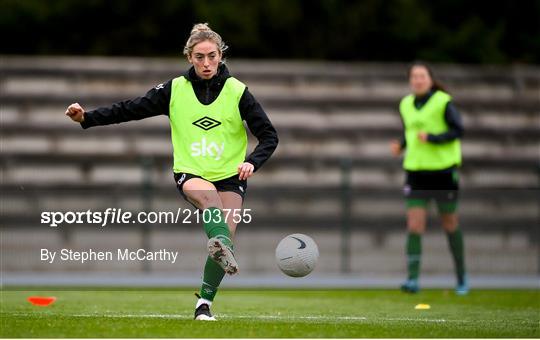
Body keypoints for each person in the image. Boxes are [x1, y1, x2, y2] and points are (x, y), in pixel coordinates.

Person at [65, 23, 279, 319]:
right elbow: (130, 108)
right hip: (190, 172)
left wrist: (252, 161)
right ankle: (218, 246)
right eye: (200, 57)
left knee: (226, 235)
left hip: (230, 175)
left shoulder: (238, 92)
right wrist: (86, 118)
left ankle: (203, 304)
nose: (206, 63)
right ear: (189, 57)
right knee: (210, 203)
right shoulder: (174, 89)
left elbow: (269, 135)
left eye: (212, 56)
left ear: (221, 56)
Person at [390, 62, 468, 295]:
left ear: (431, 79)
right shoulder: (405, 104)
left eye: (422, 76)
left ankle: (462, 278)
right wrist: (401, 145)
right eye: (414, 76)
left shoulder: (443, 101)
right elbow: (411, 132)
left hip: (443, 172)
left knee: (450, 224)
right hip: (415, 173)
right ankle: (412, 279)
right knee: (414, 225)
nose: (418, 80)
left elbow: (458, 130)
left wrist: (433, 138)